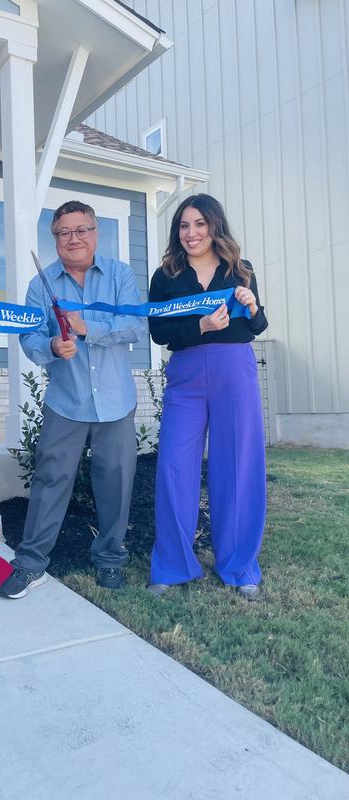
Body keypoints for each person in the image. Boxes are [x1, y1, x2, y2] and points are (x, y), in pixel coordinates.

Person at [0, 200, 144, 599]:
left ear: (95, 234)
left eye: (81, 230)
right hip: (66, 400)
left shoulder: (119, 276)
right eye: (64, 232)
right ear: (56, 239)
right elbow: (28, 339)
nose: (73, 238)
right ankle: (30, 564)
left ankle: (110, 560)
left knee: (116, 481)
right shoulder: (40, 285)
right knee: (49, 480)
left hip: (116, 401)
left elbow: (134, 325)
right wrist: (52, 344)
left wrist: (85, 328)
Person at [147, 193, 268, 600]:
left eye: (199, 224)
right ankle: (172, 565)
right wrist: (199, 326)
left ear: (214, 225)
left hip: (234, 369)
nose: (191, 232)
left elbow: (257, 325)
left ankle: (239, 566)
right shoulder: (165, 276)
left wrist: (251, 306)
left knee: (236, 465)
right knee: (174, 467)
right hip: (187, 375)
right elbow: (159, 334)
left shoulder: (240, 269)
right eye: (184, 225)